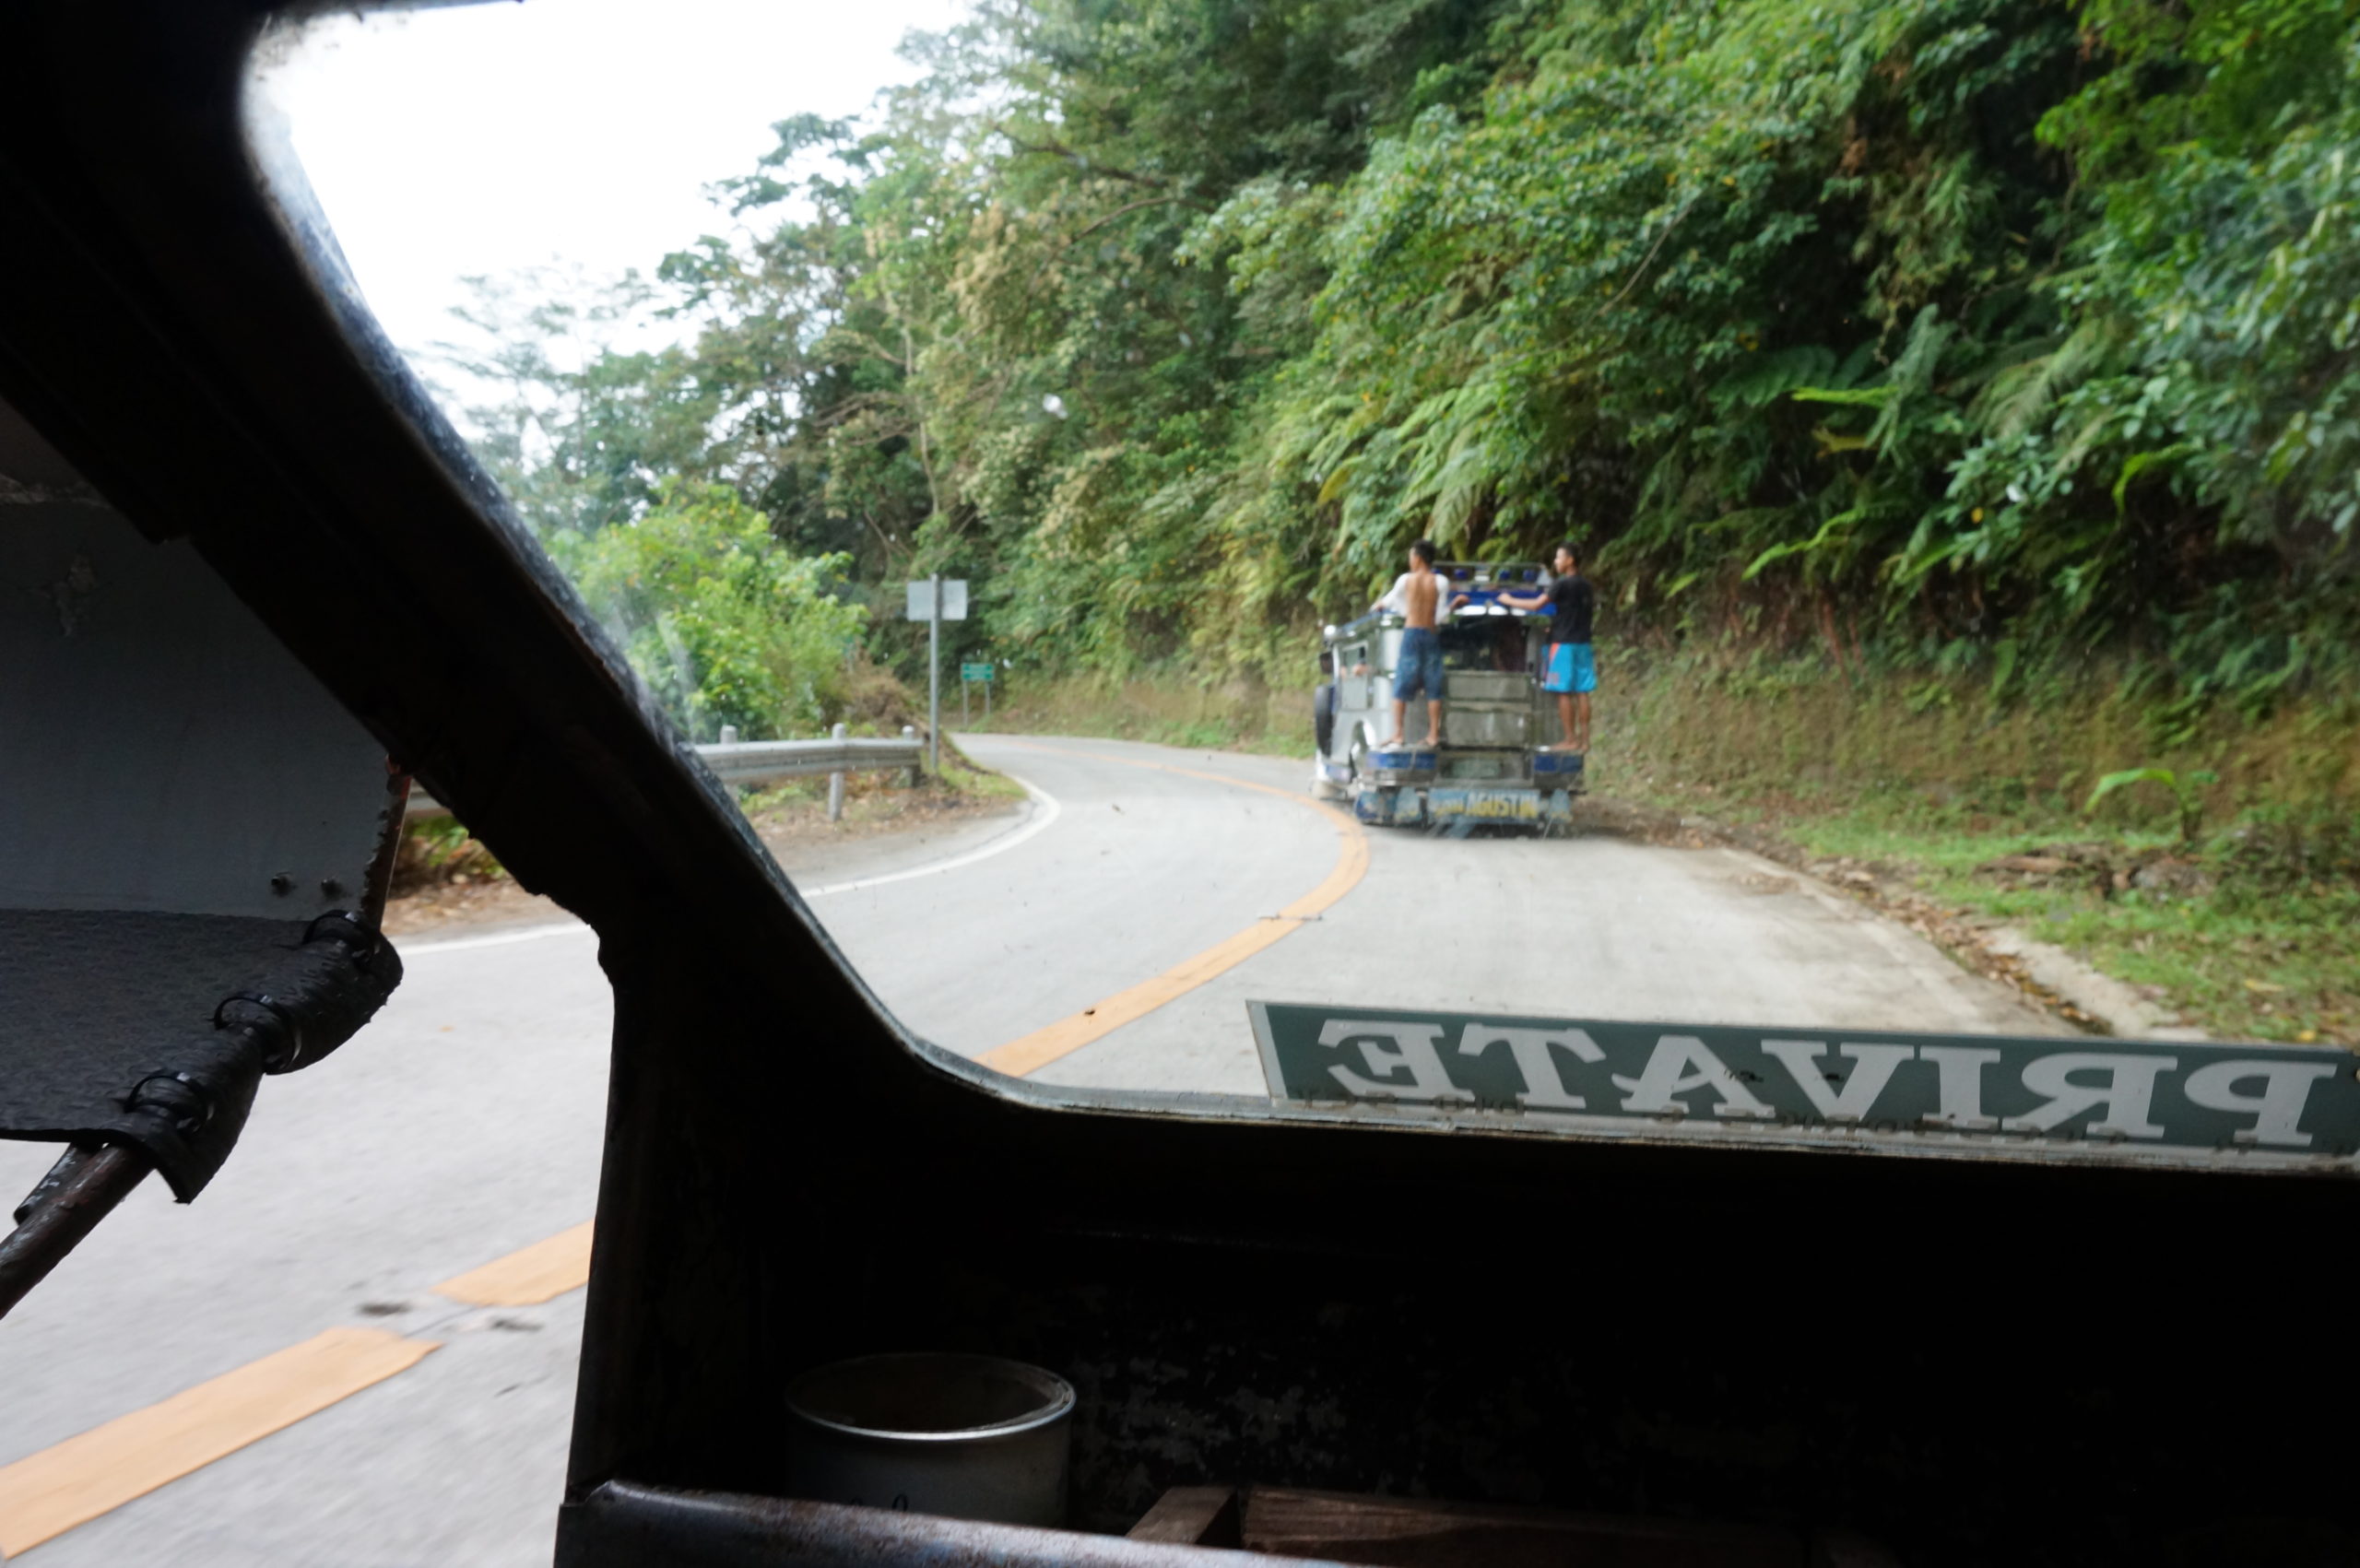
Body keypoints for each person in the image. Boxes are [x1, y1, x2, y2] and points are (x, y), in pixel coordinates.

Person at [1496, 542, 1595, 752]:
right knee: (1582, 692)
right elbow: (1575, 613)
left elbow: (1536, 606)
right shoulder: (1586, 585)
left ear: (1570, 560)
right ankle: (1585, 741)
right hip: (1583, 644)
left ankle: (1570, 739)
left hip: (1564, 645)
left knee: (1564, 693)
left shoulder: (1561, 584)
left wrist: (1509, 599)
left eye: (1559, 558)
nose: (1555, 562)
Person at [1372, 538, 1453, 748]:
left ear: (1418, 558)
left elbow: (1388, 601)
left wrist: (1378, 605)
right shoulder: (1441, 582)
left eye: (1411, 556)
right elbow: (1441, 616)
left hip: (1411, 634)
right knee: (1434, 685)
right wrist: (1455, 604)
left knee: (1401, 684)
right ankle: (1433, 735)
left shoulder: (1405, 580)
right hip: (1431, 635)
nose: (1410, 560)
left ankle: (1398, 734)